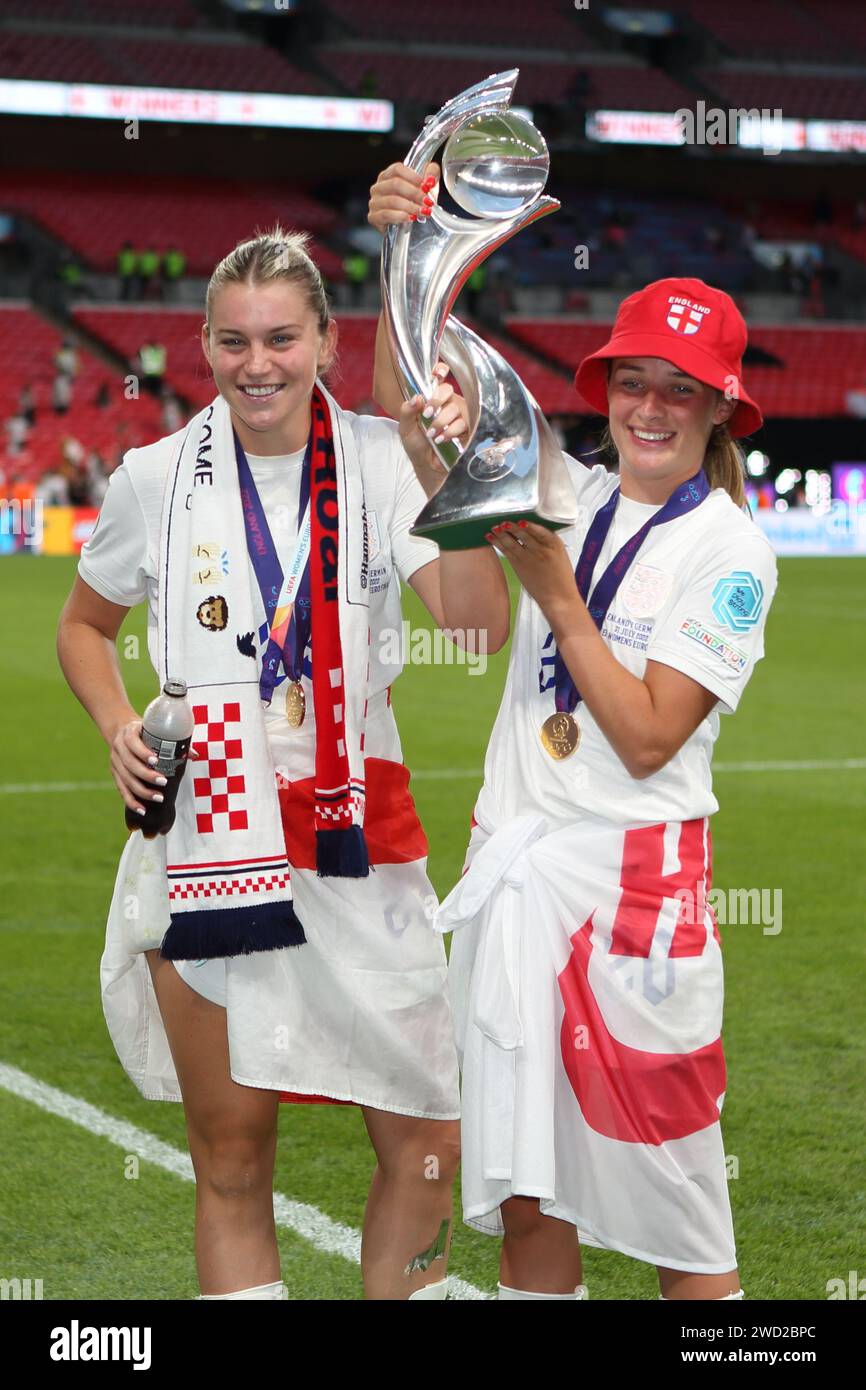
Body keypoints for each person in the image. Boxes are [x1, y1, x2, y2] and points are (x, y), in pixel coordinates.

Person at [56, 224, 510, 1301]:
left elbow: (478, 624)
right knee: (232, 1158)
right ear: (202, 348)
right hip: (204, 830)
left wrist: (440, 464)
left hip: (358, 831)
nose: (257, 363)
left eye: (280, 338)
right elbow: (83, 627)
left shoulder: (382, 461)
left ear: (325, 341)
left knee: (427, 1137)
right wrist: (118, 718)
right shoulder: (152, 475)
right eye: (232, 341)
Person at [369, 164, 779, 1301]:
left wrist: (558, 594)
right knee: (526, 1200)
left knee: (683, 1225)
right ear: (605, 388)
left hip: (635, 912)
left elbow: (648, 735)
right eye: (632, 382)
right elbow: (427, 395)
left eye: (678, 392)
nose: (649, 409)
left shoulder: (730, 551)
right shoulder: (571, 490)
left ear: (718, 410)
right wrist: (400, 266)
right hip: (520, 890)